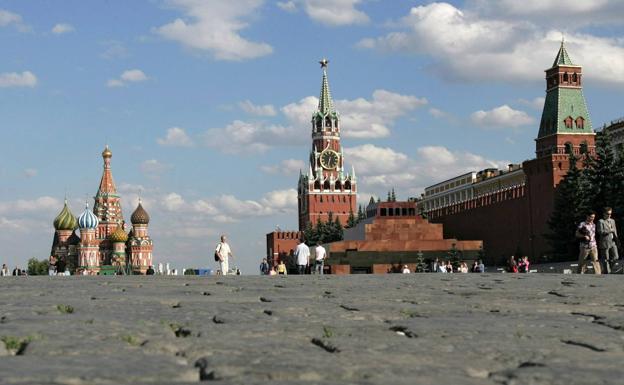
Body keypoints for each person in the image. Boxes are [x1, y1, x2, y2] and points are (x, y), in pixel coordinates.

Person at [597, 207, 619, 274]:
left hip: (612, 241)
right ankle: (607, 273)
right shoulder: (600, 221)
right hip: (605, 242)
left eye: (610, 214)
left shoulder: (612, 220)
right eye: (608, 214)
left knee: (616, 257)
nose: (609, 215)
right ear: (604, 214)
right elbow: (600, 232)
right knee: (606, 259)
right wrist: (610, 231)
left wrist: (617, 240)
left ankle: (607, 270)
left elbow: (615, 231)